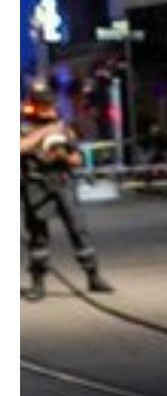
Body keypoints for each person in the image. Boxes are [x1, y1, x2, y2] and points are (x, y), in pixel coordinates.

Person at [20, 85, 112, 300]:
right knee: (37, 236)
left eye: (50, 103)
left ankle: (93, 276)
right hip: (35, 186)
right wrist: (46, 131)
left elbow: (77, 159)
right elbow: (20, 147)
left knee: (78, 229)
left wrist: (63, 156)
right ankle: (38, 282)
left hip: (62, 184)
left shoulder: (63, 128)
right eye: (44, 103)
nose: (48, 108)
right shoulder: (22, 126)